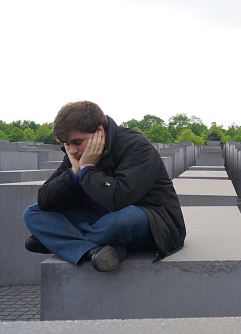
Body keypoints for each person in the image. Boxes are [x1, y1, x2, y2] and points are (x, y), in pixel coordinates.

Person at [23, 101, 186, 272]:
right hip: (97, 218)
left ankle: (63, 240)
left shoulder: (137, 147)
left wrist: (87, 170)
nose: (71, 150)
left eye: (76, 142)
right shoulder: (75, 154)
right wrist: (73, 173)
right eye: (66, 144)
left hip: (151, 219)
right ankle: (96, 250)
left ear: (99, 132)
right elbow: (44, 200)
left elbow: (118, 199)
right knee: (33, 213)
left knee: (121, 221)